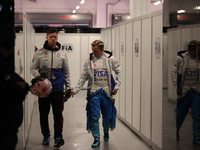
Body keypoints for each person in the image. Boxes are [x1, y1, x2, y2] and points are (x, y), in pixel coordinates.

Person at [71, 40, 122, 147]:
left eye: (96, 51)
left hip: (107, 92)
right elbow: (83, 77)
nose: (94, 53)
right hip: (94, 92)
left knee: (107, 116)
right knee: (94, 116)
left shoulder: (110, 59)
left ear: (102, 49)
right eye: (93, 51)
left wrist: (116, 86)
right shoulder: (89, 61)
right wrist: (75, 90)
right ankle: (96, 137)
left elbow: (119, 72)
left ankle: (106, 130)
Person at [30, 28, 71, 148]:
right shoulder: (39, 53)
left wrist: (68, 87)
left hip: (58, 90)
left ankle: (58, 137)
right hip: (43, 91)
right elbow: (32, 68)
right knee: (43, 114)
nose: (53, 39)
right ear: (47, 37)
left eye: (55, 37)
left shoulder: (62, 53)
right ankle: (46, 135)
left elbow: (66, 72)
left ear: (57, 38)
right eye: (51, 37)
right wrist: (39, 77)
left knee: (58, 114)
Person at [0, 24, 29, 150]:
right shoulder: (1, 65)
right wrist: (20, 87)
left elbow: (23, 84)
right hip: (4, 132)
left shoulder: (5, 63)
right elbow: (15, 93)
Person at [171, 40, 200, 145]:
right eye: (197, 51)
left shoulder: (199, 58)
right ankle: (177, 131)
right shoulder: (181, 59)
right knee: (180, 115)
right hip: (184, 91)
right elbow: (174, 72)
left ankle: (196, 137)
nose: (198, 53)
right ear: (191, 50)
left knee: (197, 115)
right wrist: (177, 85)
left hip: (197, 91)